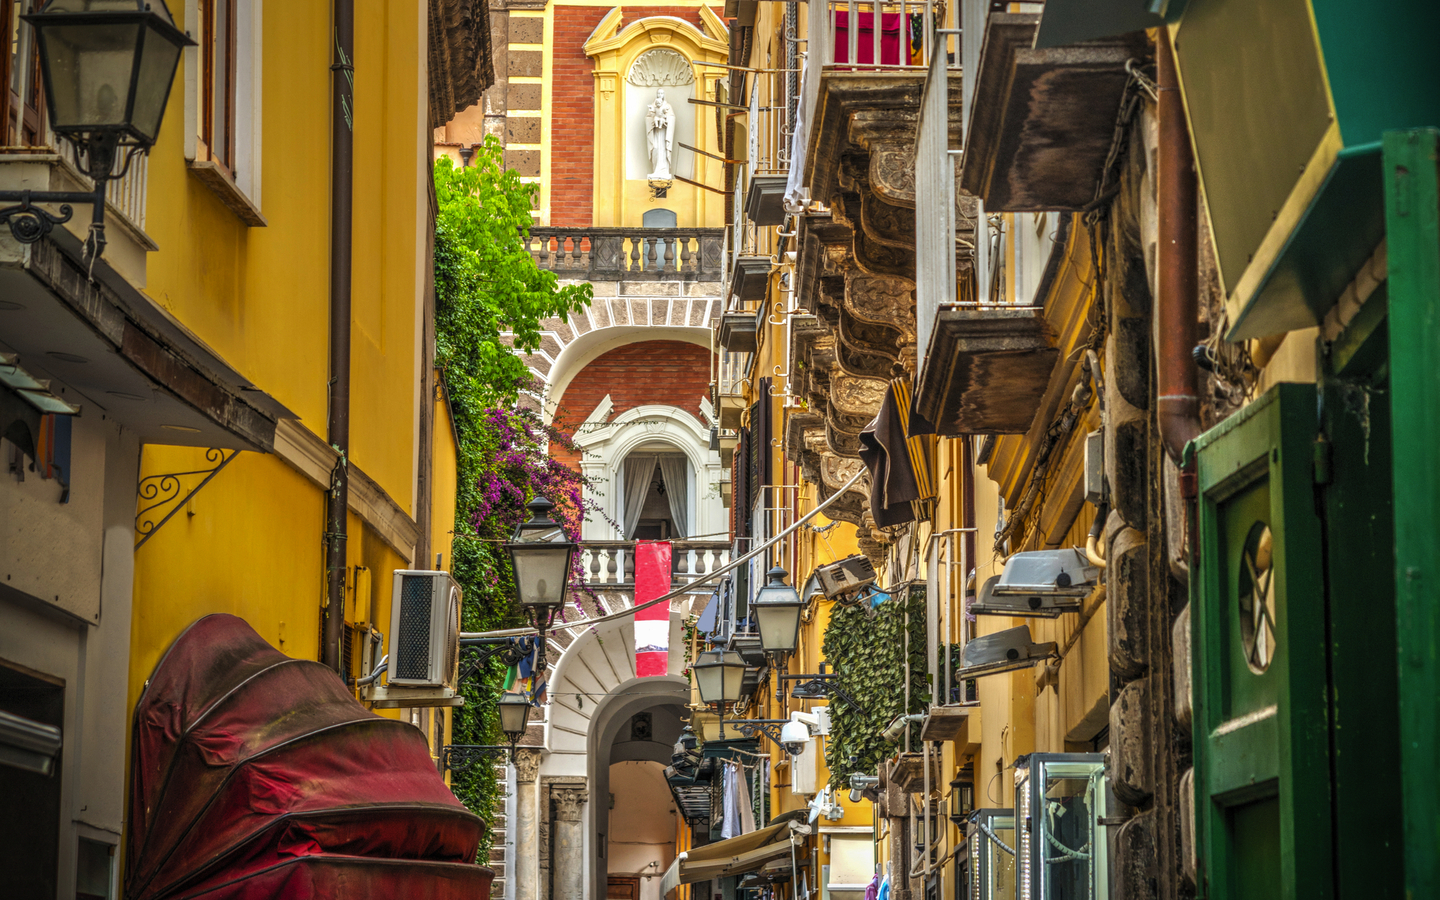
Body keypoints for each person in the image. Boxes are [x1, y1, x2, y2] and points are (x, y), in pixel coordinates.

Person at [645, 87, 675, 180]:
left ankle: (664, 171)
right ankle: (656, 171)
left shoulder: (668, 106)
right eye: (658, 93)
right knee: (656, 149)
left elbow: (672, 117)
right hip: (655, 133)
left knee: (663, 150)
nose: (660, 95)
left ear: (664, 95)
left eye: (661, 93)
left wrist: (666, 120)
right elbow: (648, 117)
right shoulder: (653, 106)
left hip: (664, 134)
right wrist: (653, 120)